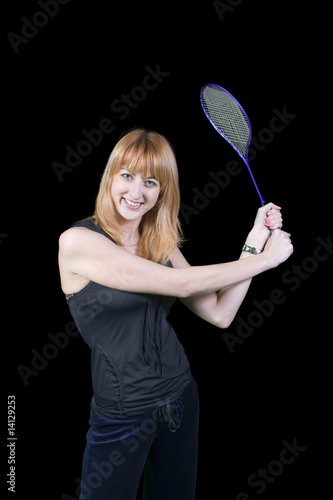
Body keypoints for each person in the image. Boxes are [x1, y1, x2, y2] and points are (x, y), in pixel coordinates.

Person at [58, 128, 293, 500]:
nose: (136, 193)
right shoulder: (78, 242)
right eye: (127, 175)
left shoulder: (157, 243)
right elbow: (180, 285)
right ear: (110, 176)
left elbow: (219, 313)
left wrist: (254, 239)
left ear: (162, 190)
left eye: (150, 181)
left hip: (181, 397)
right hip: (122, 414)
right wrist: (267, 261)